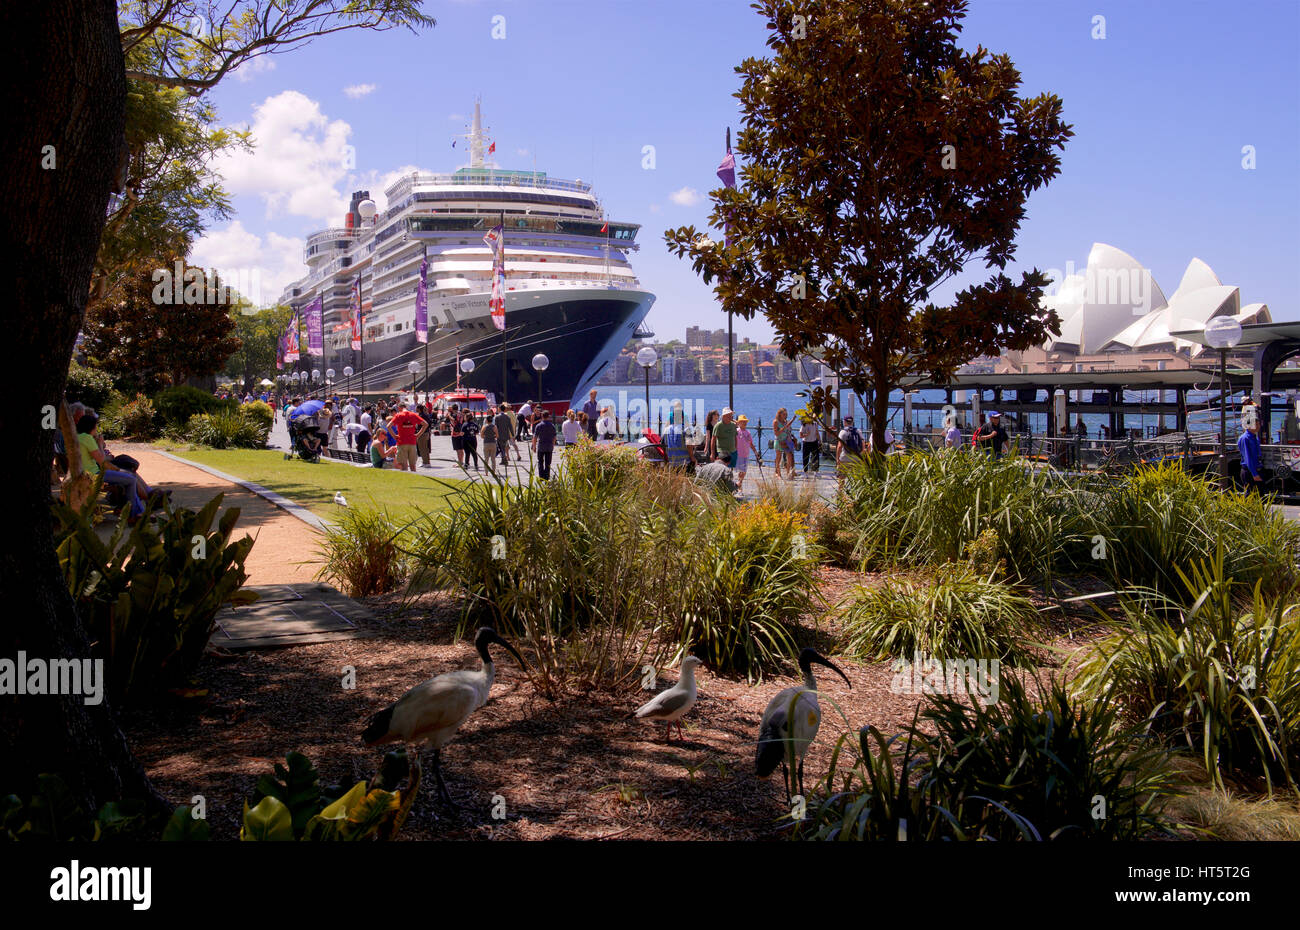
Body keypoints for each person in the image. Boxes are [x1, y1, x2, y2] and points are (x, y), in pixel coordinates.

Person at [76, 412, 157, 524]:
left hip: (85, 474)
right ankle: (135, 513)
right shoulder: (87, 438)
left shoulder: (77, 438)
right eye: (96, 427)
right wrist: (100, 444)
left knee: (128, 477)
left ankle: (138, 511)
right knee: (130, 479)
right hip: (95, 475)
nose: (96, 430)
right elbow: (102, 461)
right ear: (91, 427)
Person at [388, 403, 426, 472]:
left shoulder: (398, 415)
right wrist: (417, 435)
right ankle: (414, 480)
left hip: (402, 442)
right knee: (413, 466)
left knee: (404, 466)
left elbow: (388, 426)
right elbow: (425, 424)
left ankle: (406, 481)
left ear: (399, 408)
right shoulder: (413, 415)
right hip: (412, 442)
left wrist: (394, 436)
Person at [1238, 416, 1263, 494]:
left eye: (1259, 424)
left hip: (1257, 468)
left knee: (1260, 495)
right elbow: (1247, 457)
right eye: (1256, 424)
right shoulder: (1245, 438)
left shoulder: (1255, 437)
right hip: (1249, 471)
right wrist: (1254, 473)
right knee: (1250, 494)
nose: (1258, 426)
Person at [532, 409, 558, 479]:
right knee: (548, 463)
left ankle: (541, 476)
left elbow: (535, 437)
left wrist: (534, 446)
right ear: (548, 416)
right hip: (549, 446)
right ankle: (547, 476)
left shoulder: (538, 426)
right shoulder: (552, 426)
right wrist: (553, 445)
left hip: (541, 446)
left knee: (540, 462)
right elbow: (554, 437)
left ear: (542, 416)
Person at [734, 414, 758, 490]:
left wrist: (755, 452)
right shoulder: (737, 431)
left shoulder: (748, 433)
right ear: (739, 423)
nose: (744, 423)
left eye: (745, 422)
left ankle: (739, 483)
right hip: (739, 454)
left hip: (746, 454)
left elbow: (751, 443)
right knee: (741, 470)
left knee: (744, 471)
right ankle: (739, 485)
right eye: (742, 422)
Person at [772, 407, 794, 480]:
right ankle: (778, 474)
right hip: (779, 441)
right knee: (778, 457)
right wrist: (784, 428)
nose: (785, 415)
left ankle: (788, 473)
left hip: (786, 441)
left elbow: (788, 430)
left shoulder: (785, 421)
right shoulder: (776, 422)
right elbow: (776, 433)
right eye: (783, 414)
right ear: (779, 414)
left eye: (786, 414)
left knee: (789, 456)